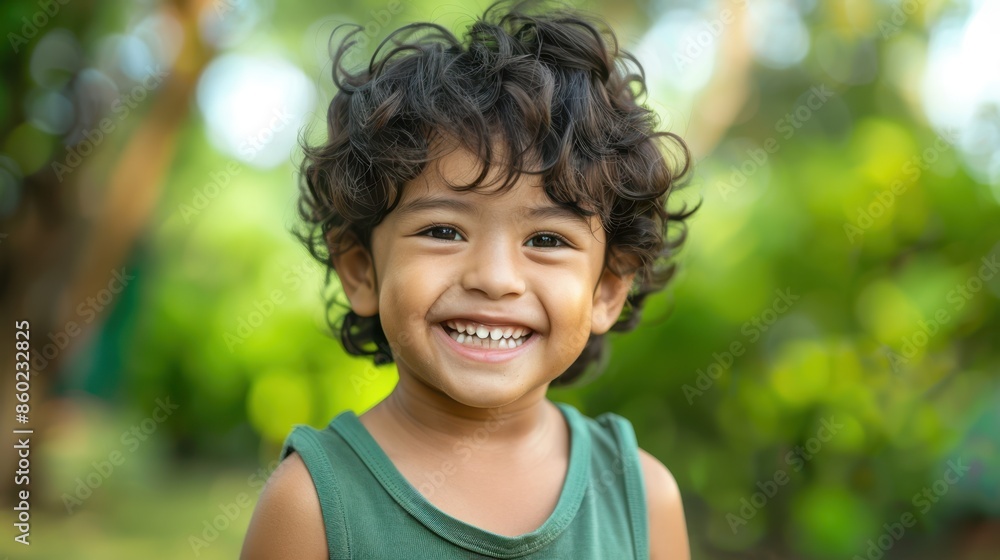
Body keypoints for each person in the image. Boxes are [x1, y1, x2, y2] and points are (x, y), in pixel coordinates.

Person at [241, 1, 697, 558]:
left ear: (606, 289)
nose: (495, 279)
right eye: (442, 231)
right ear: (361, 271)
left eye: (547, 240)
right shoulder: (309, 505)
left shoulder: (643, 500)